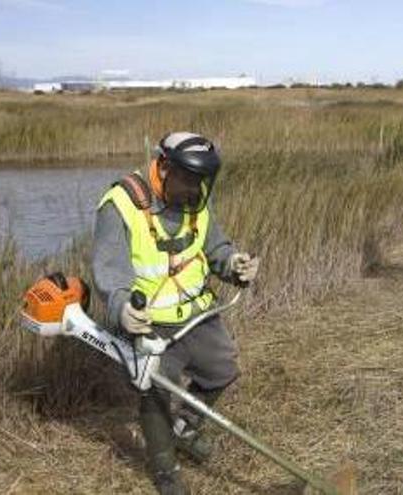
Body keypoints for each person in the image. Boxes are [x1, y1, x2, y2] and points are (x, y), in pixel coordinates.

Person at [91, 132, 259, 495]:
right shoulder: (120, 203)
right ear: (164, 168)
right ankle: (165, 469)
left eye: (201, 181)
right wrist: (121, 309)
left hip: (197, 315)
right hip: (150, 324)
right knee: (154, 393)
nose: (194, 190)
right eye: (187, 179)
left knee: (222, 370)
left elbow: (214, 245)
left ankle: (185, 428)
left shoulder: (196, 196)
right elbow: (110, 271)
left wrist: (233, 264)